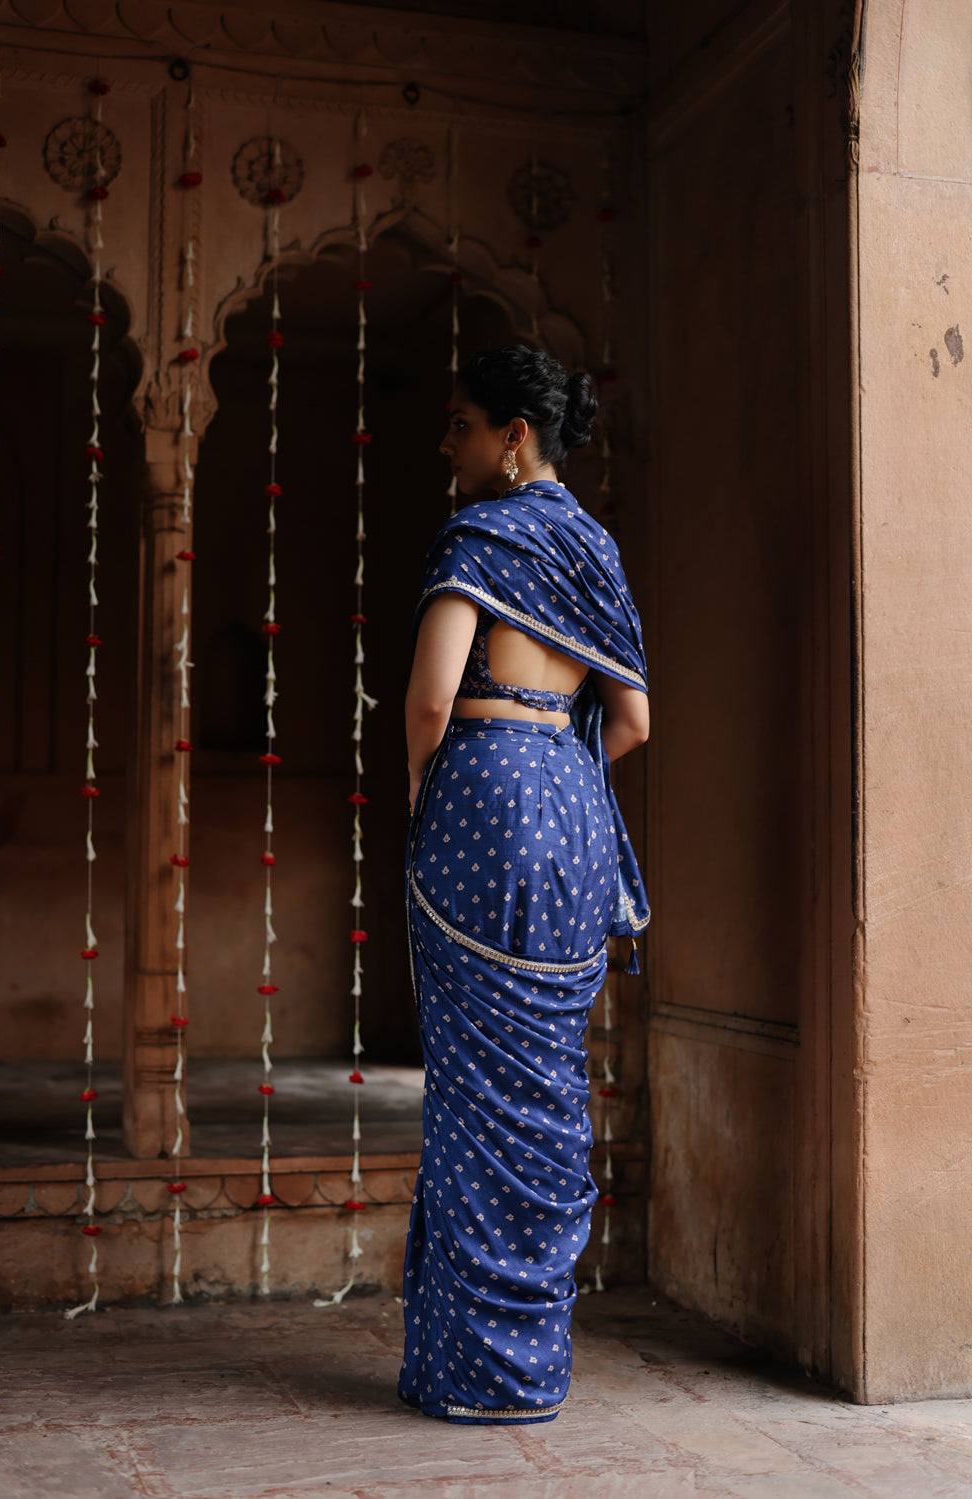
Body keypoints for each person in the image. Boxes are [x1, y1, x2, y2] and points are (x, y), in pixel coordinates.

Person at [398, 344, 649, 1425]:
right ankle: (531, 1370)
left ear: (513, 438)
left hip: (485, 795)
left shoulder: (479, 538)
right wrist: (559, 770)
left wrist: (428, 791)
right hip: (575, 812)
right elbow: (634, 721)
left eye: (461, 424)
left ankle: (470, 1372)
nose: (446, 443)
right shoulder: (596, 550)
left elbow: (428, 698)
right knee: (545, 1085)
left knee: (468, 1091)